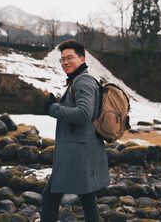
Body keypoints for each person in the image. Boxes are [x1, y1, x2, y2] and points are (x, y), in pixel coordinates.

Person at [40, 40, 109, 222]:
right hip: (78, 151)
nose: (65, 63)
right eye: (62, 60)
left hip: (76, 154)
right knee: (84, 198)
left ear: (82, 58)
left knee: (51, 196)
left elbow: (83, 114)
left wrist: (53, 108)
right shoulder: (78, 80)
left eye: (69, 58)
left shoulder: (83, 81)